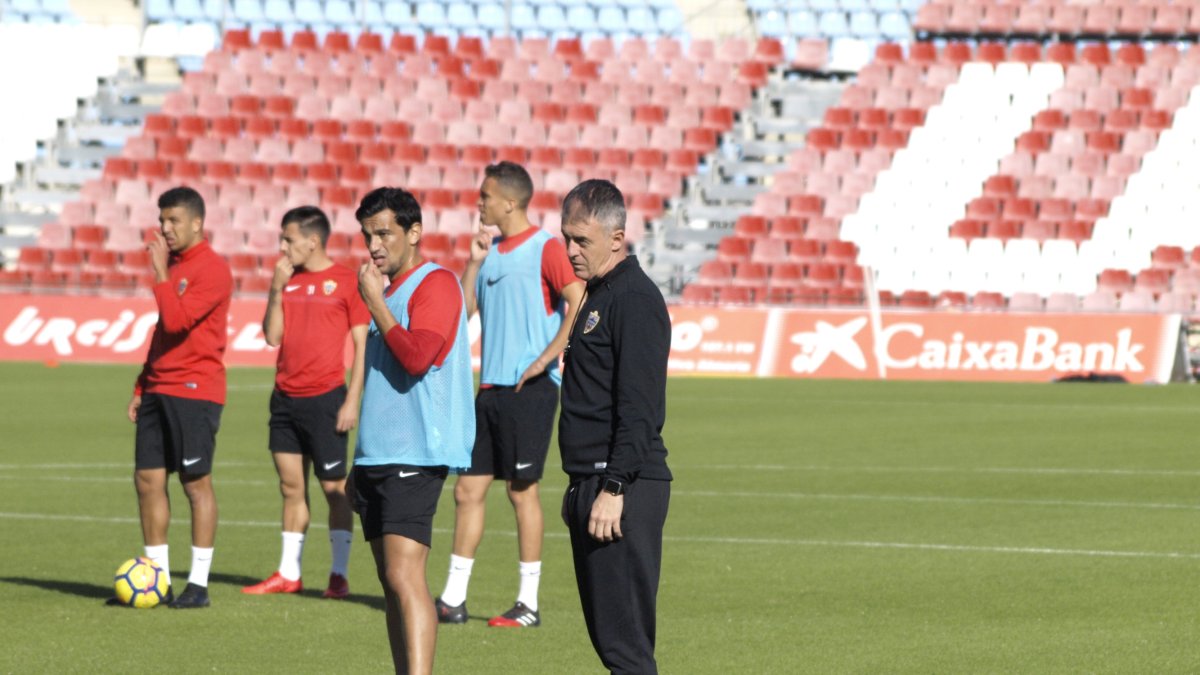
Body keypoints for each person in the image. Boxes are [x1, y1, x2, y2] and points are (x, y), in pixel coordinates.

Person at [435, 162, 584, 628]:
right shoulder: (491, 251)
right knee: (468, 490)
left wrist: (546, 360)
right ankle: (453, 599)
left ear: (510, 202)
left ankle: (529, 603)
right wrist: (474, 262)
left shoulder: (546, 248)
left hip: (531, 391)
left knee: (522, 493)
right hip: (490, 390)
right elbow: (462, 313)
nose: (479, 203)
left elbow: (578, 301)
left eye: (485, 196)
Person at [352, 187, 474, 674]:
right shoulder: (387, 291)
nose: (375, 245)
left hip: (416, 453)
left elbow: (418, 357)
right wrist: (357, 455)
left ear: (414, 233)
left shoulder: (436, 283)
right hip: (376, 455)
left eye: (384, 233)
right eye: (368, 236)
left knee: (405, 575)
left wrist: (376, 305)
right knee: (390, 580)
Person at [557, 179, 672, 673]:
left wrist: (613, 484)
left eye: (581, 240)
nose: (570, 250)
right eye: (566, 237)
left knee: (626, 651)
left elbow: (640, 407)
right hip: (595, 483)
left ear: (616, 238)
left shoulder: (634, 298)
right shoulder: (599, 293)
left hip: (622, 487)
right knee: (612, 643)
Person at [242, 206, 369, 599]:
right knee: (290, 487)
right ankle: (288, 573)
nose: (282, 247)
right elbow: (272, 337)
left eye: (288, 240)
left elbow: (363, 345)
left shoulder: (346, 281)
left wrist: (351, 400)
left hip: (326, 400)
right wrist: (276, 290)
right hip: (285, 400)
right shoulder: (288, 280)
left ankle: (338, 574)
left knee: (334, 489)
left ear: (313, 241)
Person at [122, 186, 233, 609]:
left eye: (173, 221)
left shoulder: (213, 269)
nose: (165, 229)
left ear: (196, 223)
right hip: (158, 387)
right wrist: (140, 385)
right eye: (161, 220)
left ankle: (199, 584)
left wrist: (161, 275)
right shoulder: (176, 265)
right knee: (148, 481)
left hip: (194, 390)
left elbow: (177, 319)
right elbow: (161, 333)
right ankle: (156, 581)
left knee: (194, 483)